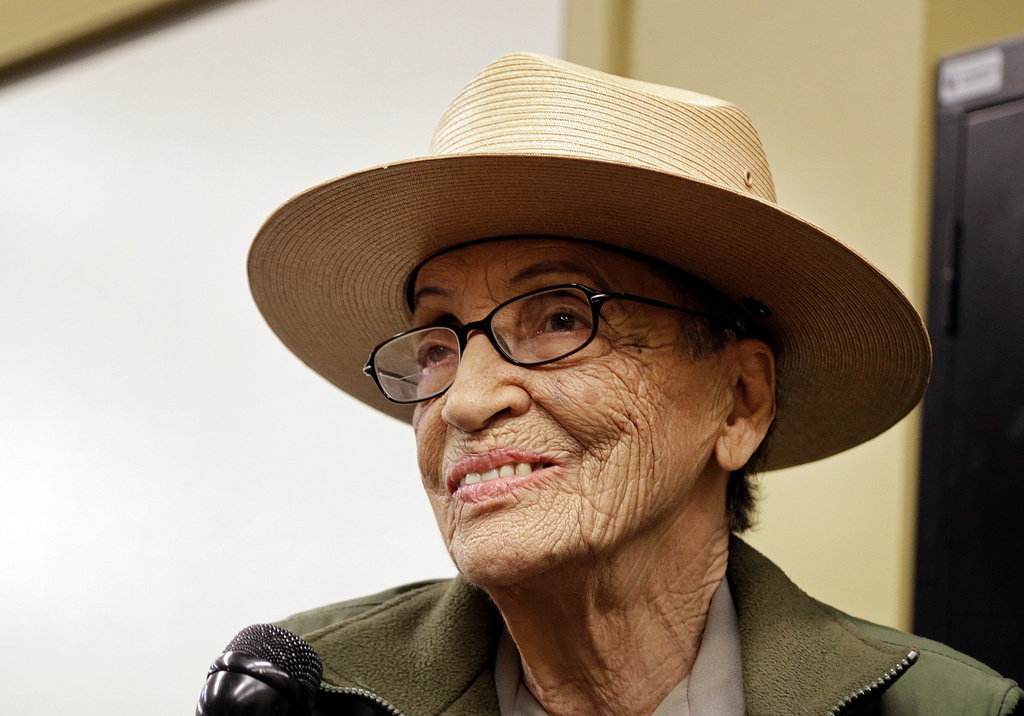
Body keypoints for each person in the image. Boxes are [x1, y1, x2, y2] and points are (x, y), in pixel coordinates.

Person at [247, 54, 1021, 715]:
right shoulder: (303, 694)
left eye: (558, 318)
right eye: (439, 343)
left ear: (740, 401)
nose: (468, 400)